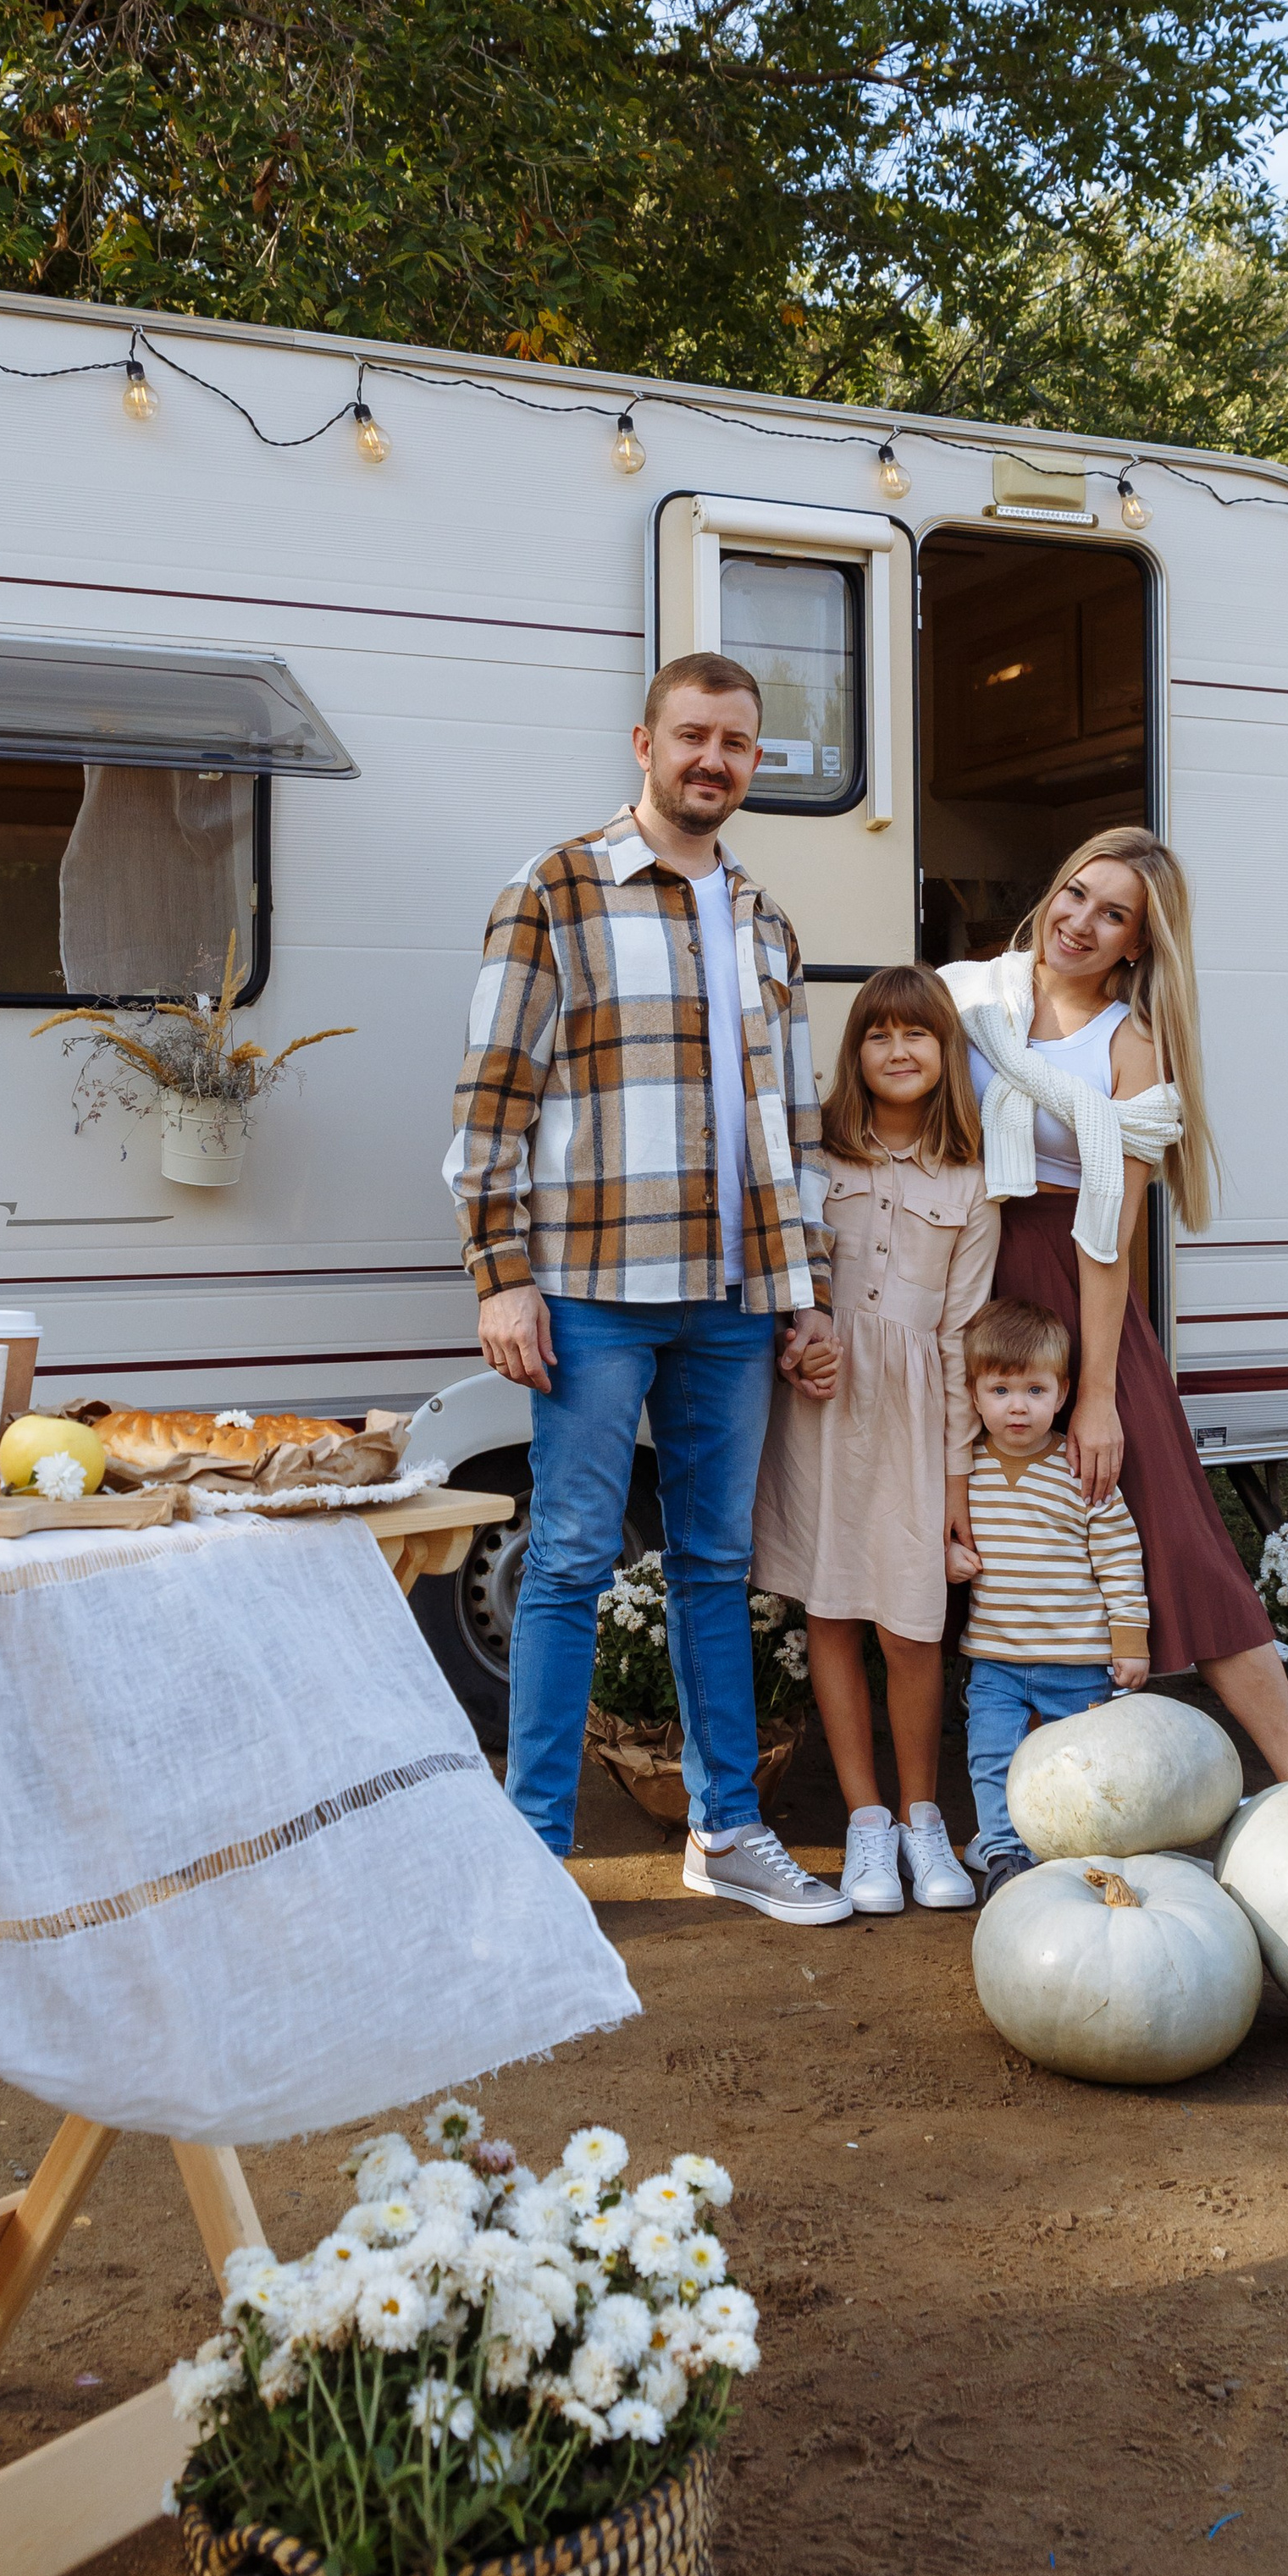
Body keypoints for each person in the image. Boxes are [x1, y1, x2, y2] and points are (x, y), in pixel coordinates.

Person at [445, 652, 850, 1922]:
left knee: (715, 1566)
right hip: (592, 1286)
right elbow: (492, 1098)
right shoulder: (554, 889)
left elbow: (791, 1125)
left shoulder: (765, 919)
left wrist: (806, 1289)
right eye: (691, 736)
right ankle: (534, 1853)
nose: (712, 760)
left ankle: (725, 1831)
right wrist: (500, 1277)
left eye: (735, 743)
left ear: (754, 760)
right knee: (569, 1558)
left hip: (734, 1298)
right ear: (644, 743)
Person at [940, 828, 1288, 1785]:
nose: (1080, 922)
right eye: (1077, 894)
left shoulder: (1131, 1044)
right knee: (957, 1508)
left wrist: (1100, 1395)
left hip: (1074, 1286)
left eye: (1113, 915)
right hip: (955, 1273)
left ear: (1138, 944)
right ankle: (975, 1792)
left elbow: (1111, 1234)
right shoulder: (968, 995)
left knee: (1174, 1527)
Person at [752, 965, 998, 1916]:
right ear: (854, 1051)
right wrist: (794, 1346)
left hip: (913, 1416)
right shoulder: (816, 1154)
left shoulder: (972, 1178)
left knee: (911, 1623)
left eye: (917, 1034)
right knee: (832, 1611)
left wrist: (956, 1480)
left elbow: (961, 1336)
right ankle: (865, 1822)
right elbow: (781, 1279)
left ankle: (922, 1816)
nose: (898, 1051)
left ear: (945, 1053)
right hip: (821, 1407)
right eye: (878, 1034)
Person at [952, 1299, 1150, 1898]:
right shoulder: (965, 1470)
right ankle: (1005, 1856)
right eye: (1001, 1390)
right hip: (995, 1661)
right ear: (974, 1394)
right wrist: (947, 1555)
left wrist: (1130, 1642)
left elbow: (1119, 1558)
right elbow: (937, 1527)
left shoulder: (1079, 1469)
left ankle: (1075, 1858)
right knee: (992, 1760)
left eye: (1035, 1390)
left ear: (1063, 1394)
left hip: (1077, 1662)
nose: (1018, 1406)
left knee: (1079, 1770)